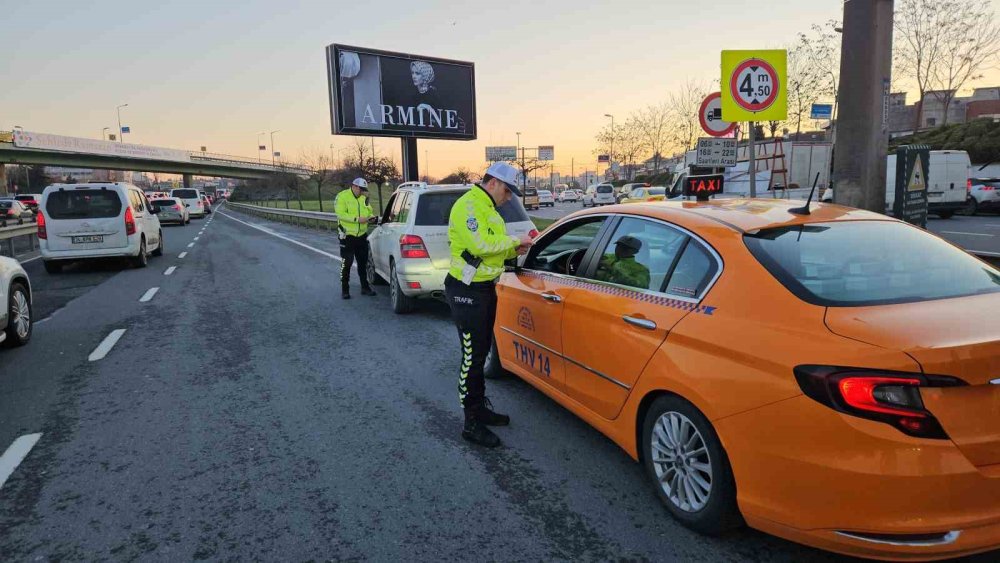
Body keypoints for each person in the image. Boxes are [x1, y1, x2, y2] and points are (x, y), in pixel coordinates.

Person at [445, 162, 534, 448]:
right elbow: (481, 245)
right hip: (466, 289)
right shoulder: (469, 206)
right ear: (493, 182)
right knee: (472, 356)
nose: (509, 198)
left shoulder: (487, 208)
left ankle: (479, 408)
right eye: (508, 191)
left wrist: (513, 248)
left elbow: (491, 246)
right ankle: (470, 422)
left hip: (483, 287)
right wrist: (514, 240)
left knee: (481, 352)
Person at [335, 178, 377, 299]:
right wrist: (356, 219)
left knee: (363, 263)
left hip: (361, 235)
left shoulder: (364, 198)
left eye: (364, 190)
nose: (363, 192)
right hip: (347, 236)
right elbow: (340, 214)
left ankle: (365, 287)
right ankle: (345, 289)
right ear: (354, 187)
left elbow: (369, 212)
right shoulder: (342, 196)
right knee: (346, 263)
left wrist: (371, 217)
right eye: (361, 190)